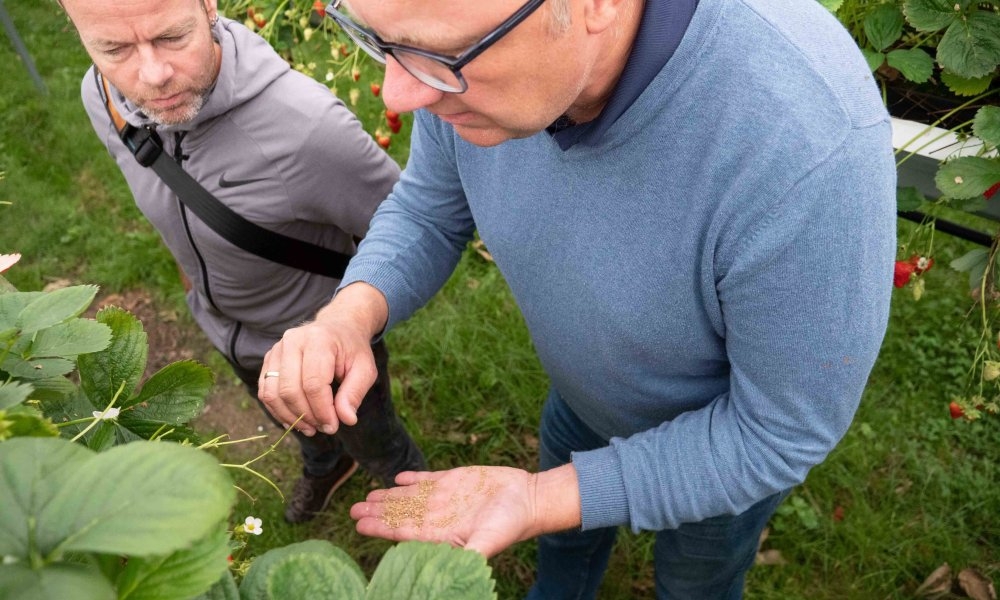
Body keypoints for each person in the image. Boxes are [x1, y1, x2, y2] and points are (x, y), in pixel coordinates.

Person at [261, 0, 896, 596]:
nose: (401, 93)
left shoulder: (807, 149)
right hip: (581, 401)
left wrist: (541, 499)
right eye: (376, 40)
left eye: (446, 57)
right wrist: (351, 315)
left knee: (696, 579)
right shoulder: (442, 53)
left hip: (718, 450)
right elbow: (431, 206)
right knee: (563, 547)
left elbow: (775, 434)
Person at [61, 0, 427, 524]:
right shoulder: (104, 97)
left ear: (208, 5)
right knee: (300, 426)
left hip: (324, 350)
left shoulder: (309, 129)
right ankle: (324, 465)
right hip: (227, 330)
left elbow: (411, 229)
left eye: (171, 37)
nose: (152, 75)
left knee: (377, 441)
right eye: (114, 48)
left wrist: (343, 325)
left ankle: (417, 504)